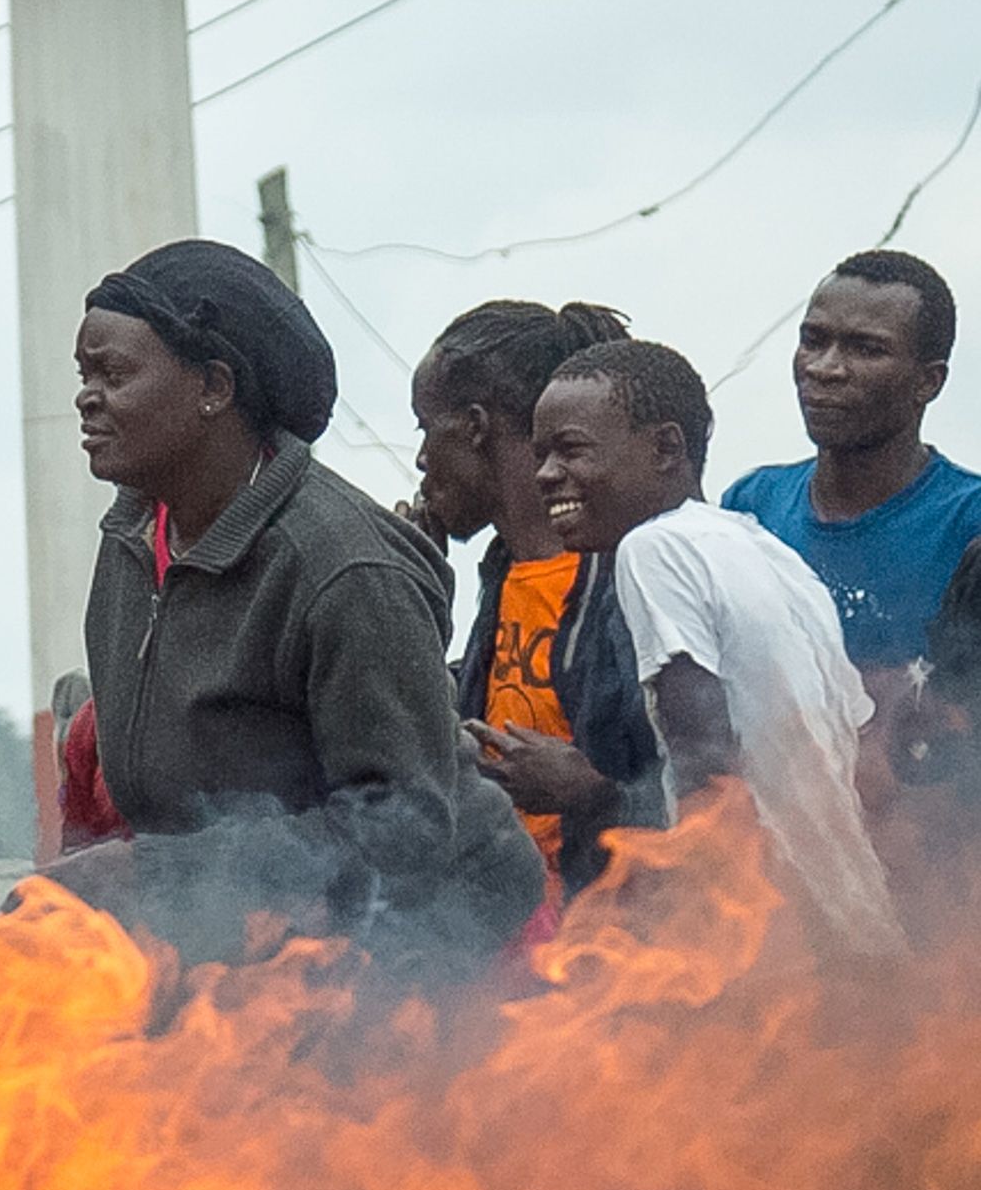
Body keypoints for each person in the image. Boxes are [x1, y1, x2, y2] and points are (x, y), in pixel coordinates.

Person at [49, 239, 540, 954]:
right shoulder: (130, 536)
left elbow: (404, 827)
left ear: (215, 387)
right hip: (244, 952)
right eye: (84, 372)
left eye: (115, 372)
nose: (86, 396)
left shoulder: (344, 568)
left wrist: (154, 874)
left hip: (416, 961)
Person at [527, 336, 907, 957]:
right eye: (540, 455)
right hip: (854, 922)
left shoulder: (654, 550)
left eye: (570, 450)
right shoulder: (768, 552)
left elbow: (703, 754)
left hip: (767, 930)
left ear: (666, 448)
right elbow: (855, 745)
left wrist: (704, 929)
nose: (546, 475)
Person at [411, 299, 639, 887]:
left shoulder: (626, 571)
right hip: (519, 938)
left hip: (618, 944)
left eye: (426, 430)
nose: (420, 459)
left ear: (476, 428)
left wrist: (592, 792)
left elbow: (712, 775)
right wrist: (414, 597)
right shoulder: (503, 570)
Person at [722, 251, 981, 683]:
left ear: (929, 381)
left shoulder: (968, 522)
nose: (824, 368)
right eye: (813, 340)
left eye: (867, 349)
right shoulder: (751, 507)